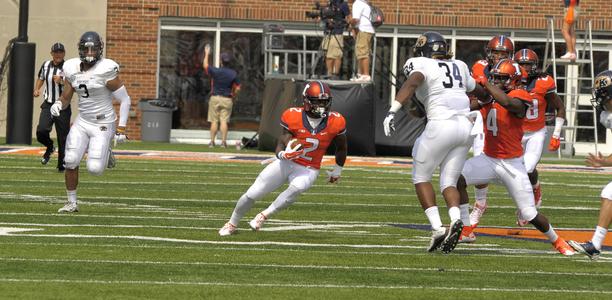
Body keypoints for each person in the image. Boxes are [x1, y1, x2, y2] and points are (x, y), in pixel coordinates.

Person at [456, 59, 575, 256]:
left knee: (529, 213)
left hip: (511, 164)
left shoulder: (521, 95)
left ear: (514, 80)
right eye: (494, 77)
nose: (496, 80)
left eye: (501, 78)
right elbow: (469, 105)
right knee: (456, 179)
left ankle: (558, 240)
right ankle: (466, 229)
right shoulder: (490, 94)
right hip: (488, 158)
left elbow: (509, 103)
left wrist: (485, 84)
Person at [382, 32, 477, 253]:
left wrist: (392, 111)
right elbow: (477, 90)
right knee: (449, 181)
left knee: (421, 176)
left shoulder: (420, 63)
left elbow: (413, 82)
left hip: (441, 125)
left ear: (424, 50)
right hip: (465, 127)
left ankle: (437, 228)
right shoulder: (460, 65)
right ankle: (455, 220)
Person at [219, 81, 347, 236]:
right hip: (287, 162)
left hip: (309, 167)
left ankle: (263, 215)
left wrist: (337, 170)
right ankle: (232, 223)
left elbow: (342, 147)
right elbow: (282, 140)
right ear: (306, 101)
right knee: (253, 193)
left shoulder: (336, 120)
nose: (321, 106)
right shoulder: (292, 115)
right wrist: (283, 154)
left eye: (324, 102)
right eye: (317, 102)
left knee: (298, 187)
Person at [50, 31, 131, 213]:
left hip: (103, 122)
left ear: (99, 50)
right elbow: (66, 97)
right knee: (69, 160)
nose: (89, 53)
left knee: (95, 169)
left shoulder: (106, 71)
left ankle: (107, 150)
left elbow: (125, 100)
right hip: (83, 121)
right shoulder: (72, 68)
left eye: (93, 49)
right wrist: (58, 104)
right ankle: (72, 202)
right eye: (86, 49)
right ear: (80, 50)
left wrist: (121, 128)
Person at [464, 35, 515, 238]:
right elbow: (470, 91)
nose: (499, 57)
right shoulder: (478, 66)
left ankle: (528, 198)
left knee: (514, 170)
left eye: (503, 53)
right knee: (478, 159)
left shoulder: (514, 69)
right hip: (482, 116)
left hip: (504, 121)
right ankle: (480, 204)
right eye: (496, 52)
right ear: (489, 52)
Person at [514, 48, 566, 226]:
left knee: (527, 169)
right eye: (521, 64)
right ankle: (535, 188)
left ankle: (526, 206)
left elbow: (560, 107)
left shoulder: (544, 82)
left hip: (536, 132)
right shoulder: (509, 81)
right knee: (513, 171)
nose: (525, 68)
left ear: (535, 66)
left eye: (528, 64)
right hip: (515, 133)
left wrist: (556, 134)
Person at [568, 70, 612, 259]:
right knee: (608, 193)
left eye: (603, 95)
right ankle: (595, 244)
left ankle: (595, 244)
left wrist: (604, 161)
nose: (600, 100)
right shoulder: (607, 116)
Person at [33, 42, 71, 172]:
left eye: (60, 52)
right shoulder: (46, 65)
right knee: (41, 131)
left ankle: (61, 165)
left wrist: (61, 81)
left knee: (62, 137)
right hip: (48, 104)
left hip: (62, 105)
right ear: (52, 53)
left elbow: (72, 85)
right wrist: (37, 89)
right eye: (56, 52)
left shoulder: (68, 67)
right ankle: (49, 146)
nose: (58, 55)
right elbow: (41, 77)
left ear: (64, 53)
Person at [202, 45, 241, 148]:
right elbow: (238, 88)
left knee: (214, 121)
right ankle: (223, 142)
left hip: (215, 97)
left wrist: (206, 54)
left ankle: (212, 142)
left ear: (221, 61)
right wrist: (234, 95)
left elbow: (205, 65)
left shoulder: (216, 71)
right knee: (224, 121)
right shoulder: (233, 73)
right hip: (227, 98)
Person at [320, 0, 350, 79]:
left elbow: (348, 17)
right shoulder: (329, 4)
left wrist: (348, 26)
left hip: (337, 32)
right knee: (328, 55)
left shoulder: (343, 4)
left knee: (337, 55)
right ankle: (329, 73)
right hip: (328, 32)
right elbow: (324, 17)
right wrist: (326, 20)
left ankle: (335, 74)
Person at [349, 0, 375, 82]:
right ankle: (361, 74)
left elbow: (356, 20)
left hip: (364, 30)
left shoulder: (357, 3)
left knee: (362, 52)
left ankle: (366, 74)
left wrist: (350, 24)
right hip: (367, 30)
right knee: (361, 52)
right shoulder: (364, 3)